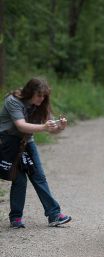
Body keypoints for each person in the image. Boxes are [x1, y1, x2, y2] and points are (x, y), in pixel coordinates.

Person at [0, 77, 72, 228]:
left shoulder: (40, 104)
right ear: (30, 92)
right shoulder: (13, 101)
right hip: (8, 143)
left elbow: (51, 129)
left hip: (27, 142)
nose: (42, 98)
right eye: (39, 95)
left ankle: (54, 215)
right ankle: (16, 218)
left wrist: (60, 127)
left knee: (39, 176)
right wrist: (45, 127)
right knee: (19, 180)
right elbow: (21, 126)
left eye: (44, 95)